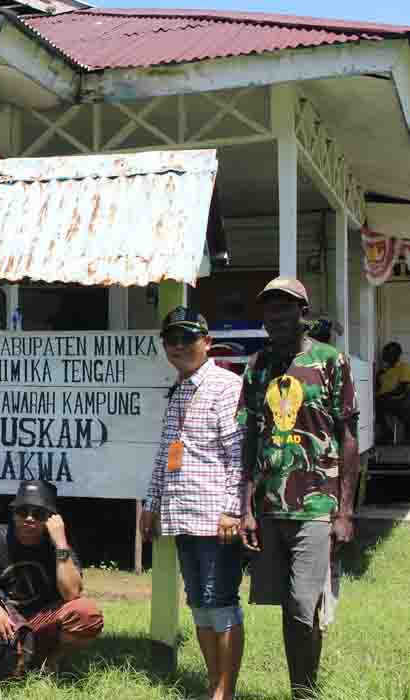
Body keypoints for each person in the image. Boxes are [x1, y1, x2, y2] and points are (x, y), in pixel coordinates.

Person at [238, 277, 359, 700]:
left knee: (303, 606)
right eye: (270, 308)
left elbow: (348, 437)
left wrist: (345, 511)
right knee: (288, 609)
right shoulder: (257, 367)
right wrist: (247, 508)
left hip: (316, 506)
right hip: (271, 507)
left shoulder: (331, 362)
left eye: (285, 307)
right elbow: (250, 437)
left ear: (302, 313)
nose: (277, 316)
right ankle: (302, 689)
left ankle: (304, 693)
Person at [141, 307, 245, 700]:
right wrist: (151, 503)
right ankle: (212, 683)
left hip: (215, 518)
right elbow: (167, 452)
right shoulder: (178, 387)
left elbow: (238, 454)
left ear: (207, 342)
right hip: (181, 515)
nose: (180, 346)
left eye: (188, 337)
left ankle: (225, 691)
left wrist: (232, 509)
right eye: (172, 339)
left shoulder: (225, 386)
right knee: (199, 604)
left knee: (221, 602)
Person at [0, 481, 103, 679]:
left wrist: (60, 543)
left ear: (51, 519)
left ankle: (50, 661)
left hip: (42, 623)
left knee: (86, 613)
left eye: (39, 514)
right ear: (13, 513)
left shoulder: (60, 544)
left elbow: (72, 593)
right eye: (22, 511)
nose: (29, 519)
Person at [376, 341, 410, 443]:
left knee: (380, 403)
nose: (386, 356)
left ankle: (389, 433)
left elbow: (402, 388)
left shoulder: (404, 367)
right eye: (385, 353)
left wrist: (385, 396)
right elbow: (377, 388)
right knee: (375, 403)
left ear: (397, 354)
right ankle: (386, 433)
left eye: (390, 353)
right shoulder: (383, 372)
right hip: (384, 400)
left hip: (400, 399)